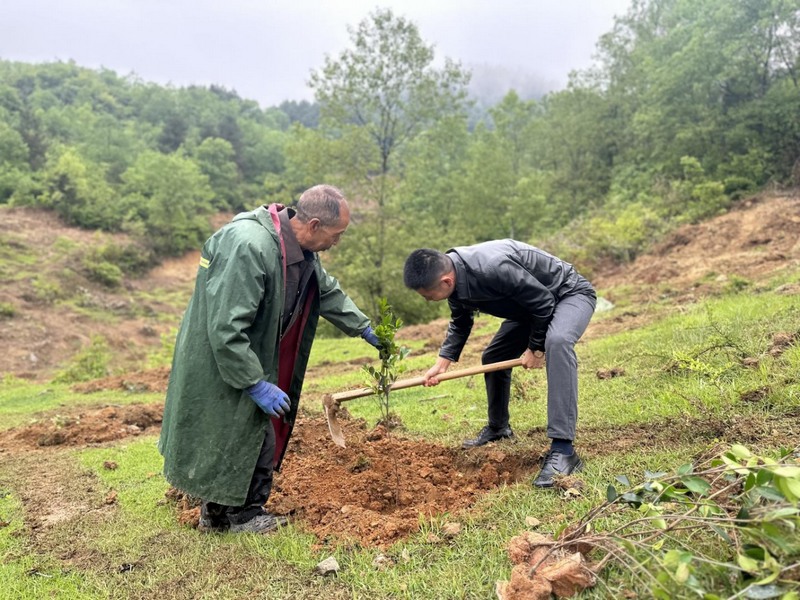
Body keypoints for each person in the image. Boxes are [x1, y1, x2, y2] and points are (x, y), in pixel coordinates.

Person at [159, 184, 381, 533]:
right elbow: (227, 327)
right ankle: (241, 516)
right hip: (227, 357)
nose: (338, 242)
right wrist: (253, 381)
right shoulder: (250, 245)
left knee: (247, 429)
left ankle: (218, 515)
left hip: (249, 354)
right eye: (337, 235)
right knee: (240, 430)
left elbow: (324, 289)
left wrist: (365, 328)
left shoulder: (299, 249)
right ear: (315, 225)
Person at [403, 240, 596, 488]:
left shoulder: (493, 267)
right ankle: (498, 428)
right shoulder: (455, 276)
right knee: (495, 356)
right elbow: (461, 322)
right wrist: (442, 362)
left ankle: (564, 450)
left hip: (566, 294)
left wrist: (535, 348)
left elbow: (544, 302)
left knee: (557, 341)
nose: (429, 301)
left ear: (446, 282)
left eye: (429, 296)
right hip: (533, 309)